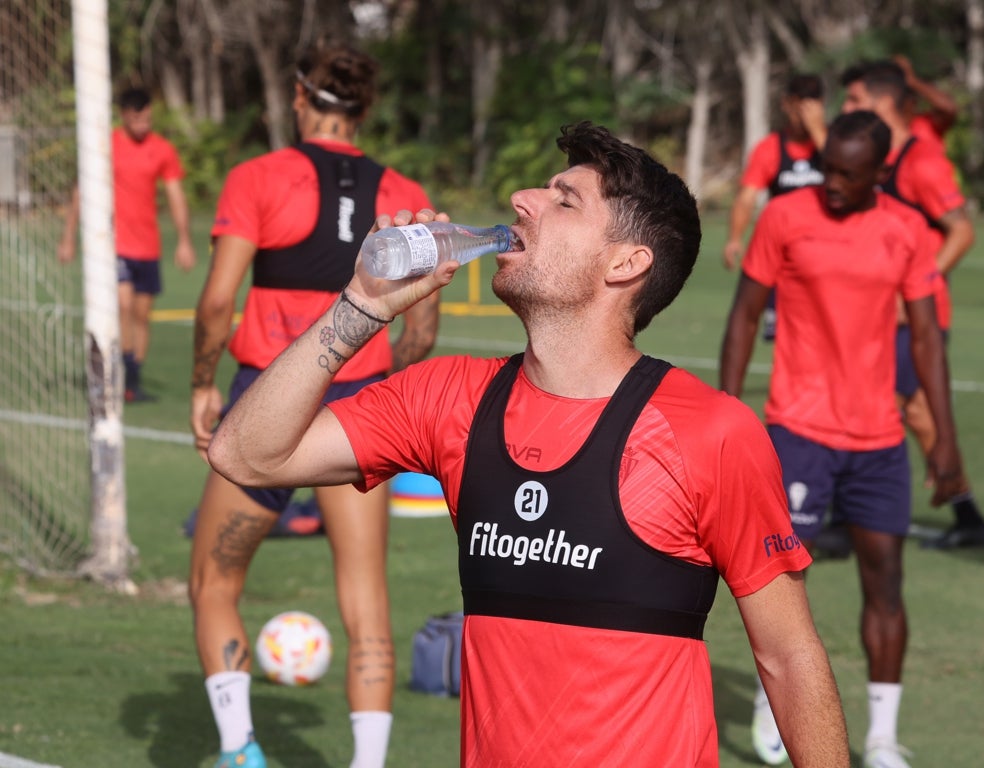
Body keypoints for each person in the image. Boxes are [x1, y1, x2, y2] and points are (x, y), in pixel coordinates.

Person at [206, 121, 851, 768]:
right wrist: (361, 306)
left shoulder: (710, 430)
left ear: (625, 263)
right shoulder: (447, 397)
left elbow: (789, 657)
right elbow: (246, 455)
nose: (522, 199)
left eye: (564, 200)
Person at [187, 40, 439, 768]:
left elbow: (216, 303)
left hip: (266, 397)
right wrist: (379, 379)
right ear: (365, 109)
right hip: (359, 408)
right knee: (366, 598)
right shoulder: (403, 192)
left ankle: (240, 750)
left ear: (299, 96)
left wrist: (203, 382)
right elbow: (422, 330)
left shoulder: (259, 177)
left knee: (214, 580)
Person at [721, 110, 966, 768]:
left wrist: (944, 440)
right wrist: (728, 411)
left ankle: (882, 738)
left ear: (879, 173)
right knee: (781, 581)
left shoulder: (906, 230)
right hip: (798, 430)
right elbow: (744, 314)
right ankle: (773, 700)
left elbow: (927, 338)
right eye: (827, 168)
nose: (831, 183)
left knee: (885, 581)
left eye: (847, 175)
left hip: (879, 438)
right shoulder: (784, 217)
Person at [834, 59, 984, 552]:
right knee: (914, 411)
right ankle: (964, 511)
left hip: (914, 316)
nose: (846, 108)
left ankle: (847, 515)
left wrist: (915, 288)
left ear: (884, 104)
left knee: (890, 406)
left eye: (855, 99)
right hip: (877, 312)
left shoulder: (922, 161)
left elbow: (962, 231)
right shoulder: (875, 159)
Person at [57, 86, 196, 402]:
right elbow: (81, 190)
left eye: (147, 119)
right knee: (123, 305)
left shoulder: (162, 150)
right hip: (115, 245)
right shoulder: (106, 145)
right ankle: (118, 374)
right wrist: (68, 236)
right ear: (123, 116)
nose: (143, 125)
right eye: (136, 120)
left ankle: (133, 381)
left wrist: (184, 240)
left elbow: (175, 196)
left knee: (142, 316)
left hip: (148, 247)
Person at [723, 73, 827, 341]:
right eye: (799, 106)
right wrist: (734, 238)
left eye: (811, 106)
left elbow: (846, 172)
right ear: (786, 104)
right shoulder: (770, 149)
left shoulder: (835, 144)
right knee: (784, 335)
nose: (803, 115)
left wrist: (818, 132)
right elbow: (747, 197)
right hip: (785, 262)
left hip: (827, 256)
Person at [891, 55, 958, 158]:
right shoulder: (881, 128)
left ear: (912, 102)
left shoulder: (926, 125)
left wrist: (912, 81)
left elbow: (948, 108)